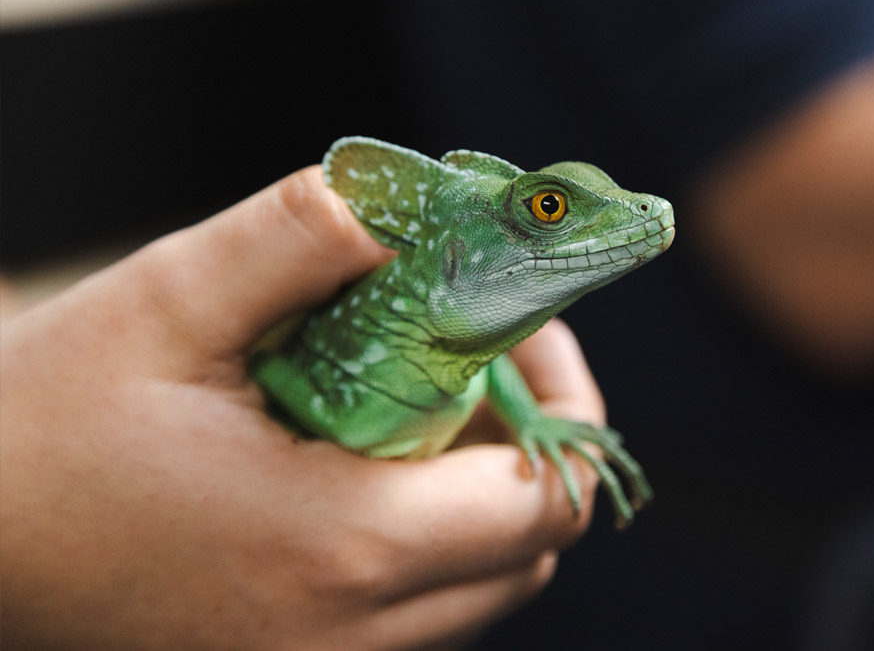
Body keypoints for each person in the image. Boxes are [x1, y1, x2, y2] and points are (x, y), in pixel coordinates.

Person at [0, 166, 605, 649]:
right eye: (548, 209)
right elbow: (268, 375)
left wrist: (530, 419)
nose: (644, 212)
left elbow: (484, 358)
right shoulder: (349, 399)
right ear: (454, 256)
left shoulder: (470, 348)